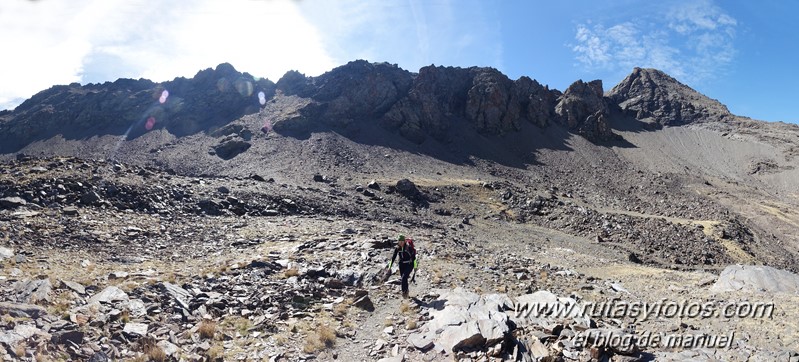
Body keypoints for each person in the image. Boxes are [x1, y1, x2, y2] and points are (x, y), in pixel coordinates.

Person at [387, 234, 417, 298]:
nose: (400, 242)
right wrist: (389, 267)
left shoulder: (409, 248)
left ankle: (404, 293)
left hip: (409, 264)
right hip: (401, 265)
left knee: (404, 277)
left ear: (404, 241)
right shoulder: (397, 249)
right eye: (399, 241)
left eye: (402, 241)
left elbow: (414, 258)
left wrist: (415, 267)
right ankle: (406, 291)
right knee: (404, 279)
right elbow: (393, 258)